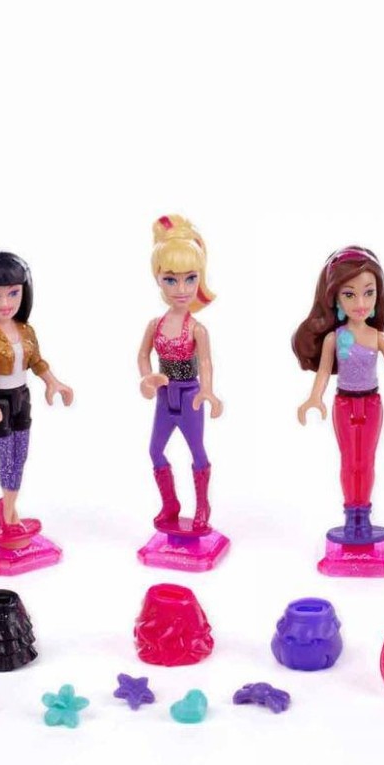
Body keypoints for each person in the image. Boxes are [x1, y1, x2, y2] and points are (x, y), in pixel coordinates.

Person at [292, 245, 384, 543]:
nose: (360, 302)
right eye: (350, 294)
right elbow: (323, 373)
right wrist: (314, 397)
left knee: (366, 461)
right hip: (344, 403)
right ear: (335, 298)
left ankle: (364, 517)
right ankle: (351, 517)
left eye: (368, 293)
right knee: (349, 461)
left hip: (371, 404)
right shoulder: (334, 338)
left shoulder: (378, 338)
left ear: (377, 296)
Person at [0, 251, 73, 532]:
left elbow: (37, 362)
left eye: (13, 293)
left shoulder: (26, 330)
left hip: (22, 398)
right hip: (0, 403)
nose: (5, 303)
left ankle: (7, 508)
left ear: (24, 292)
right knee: (7, 461)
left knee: (21, 458)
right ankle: (9, 515)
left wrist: (53, 382)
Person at [137, 215, 223, 534]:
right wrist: (148, 378)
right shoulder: (155, 325)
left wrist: (208, 391)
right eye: (171, 280)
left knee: (196, 451)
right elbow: (142, 356)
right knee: (155, 449)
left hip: (190, 395)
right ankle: (170, 504)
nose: (182, 288)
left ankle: (202, 506)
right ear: (158, 279)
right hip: (164, 396)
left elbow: (206, 362)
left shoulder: (197, 329)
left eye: (190, 279)